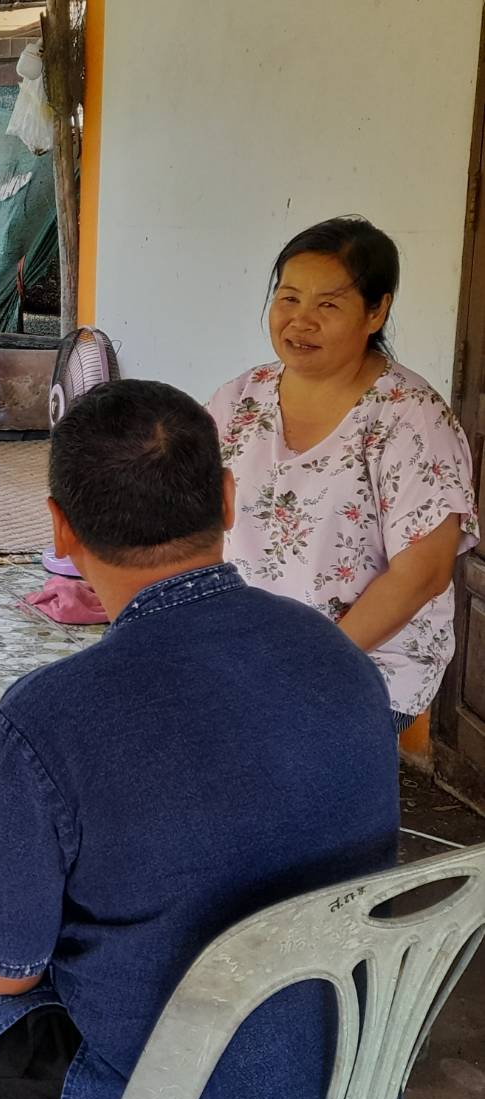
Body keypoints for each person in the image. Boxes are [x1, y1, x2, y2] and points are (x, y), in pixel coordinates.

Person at [0, 379, 399, 1099]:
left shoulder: (48, 718)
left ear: (58, 528)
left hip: (169, 1081)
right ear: (224, 497)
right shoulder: (336, 653)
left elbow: (0, 975)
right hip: (346, 1055)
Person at [209, 216, 479, 731]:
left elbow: (421, 573)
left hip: (363, 665)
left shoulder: (409, 417)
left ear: (377, 311)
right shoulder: (242, 398)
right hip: (251, 657)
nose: (300, 321)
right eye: (288, 299)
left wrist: (310, 664)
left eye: (328, 305)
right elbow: (188, 511)